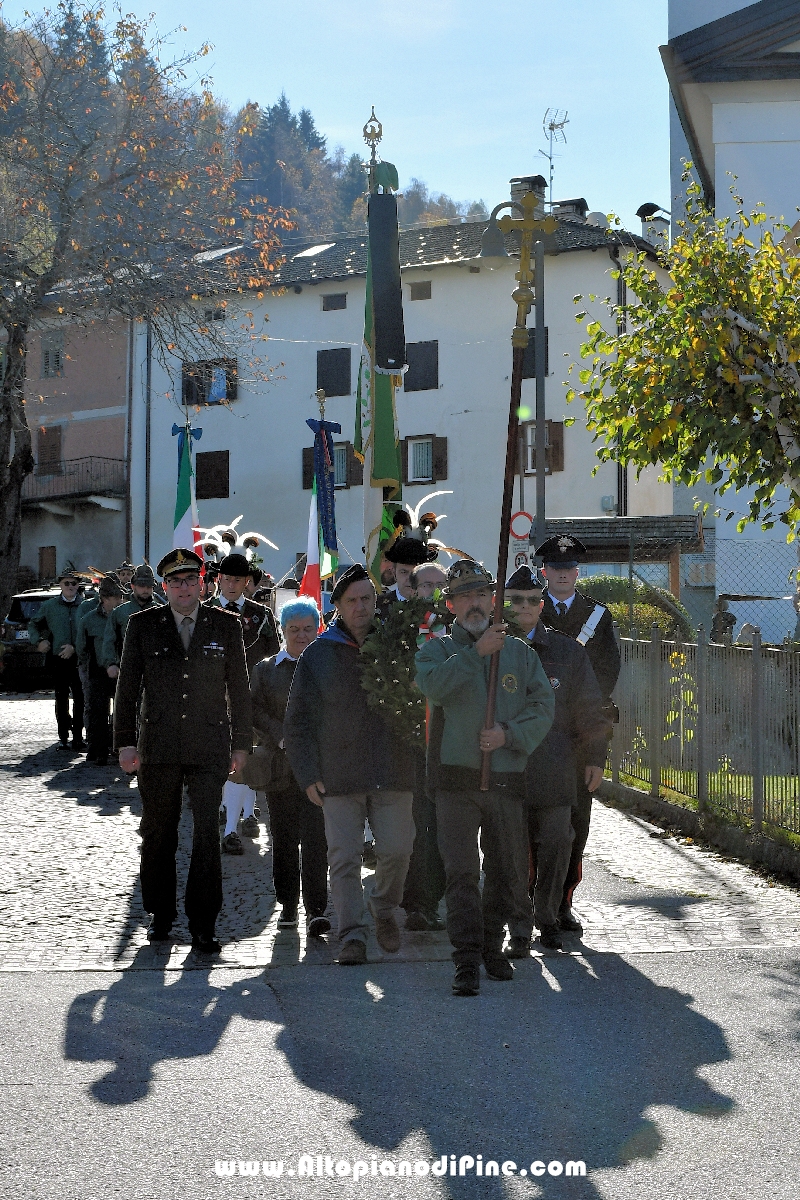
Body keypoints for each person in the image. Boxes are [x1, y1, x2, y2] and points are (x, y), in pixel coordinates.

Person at [415, 559, 555, 997]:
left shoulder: (519, 653)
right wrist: (477, 655)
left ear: (493, 600)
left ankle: (492, 948)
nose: (474, 604)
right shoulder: (437, 649)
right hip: (454, 780)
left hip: (505, 777)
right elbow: (433, 686)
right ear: (451, 604)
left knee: (503, 869)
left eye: (481, 595)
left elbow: (543, 706)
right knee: (460, 872)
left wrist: (508, 734)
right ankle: (465, 960)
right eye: (465, 597)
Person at [113, 548, 252, 953]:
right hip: (159, 745)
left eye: (191, 580)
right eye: (176, 582)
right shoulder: (143, 625)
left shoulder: (225, 626)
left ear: (203, 583)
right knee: (159, 832)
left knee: (207, 834)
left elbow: (239, 690)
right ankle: (159, 915)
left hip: (210, 744)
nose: (184, 588)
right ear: (165, 587)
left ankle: (204, 922)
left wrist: (242, 744)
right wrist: (125, 741)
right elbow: (128, 690)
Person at [284, 564, 415, 965]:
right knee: (343, 856)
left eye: (367, 599)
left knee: (398, 847)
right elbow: (299, 719)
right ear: (337, 606)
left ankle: (382, 904)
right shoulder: (319, 654)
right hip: (338, 775)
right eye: (352, 600)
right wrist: (307, 774)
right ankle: (351, 934)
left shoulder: (397, 643)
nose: (361, 607)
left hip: (393, 770)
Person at [504, 566, 610, 952]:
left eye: (534, 599)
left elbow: (590, 708)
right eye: (517, 600)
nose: (527, 606)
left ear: (542, 603)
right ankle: (518, 925)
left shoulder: (566, 651)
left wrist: (595, 756)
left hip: (555, 765)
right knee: (512, 852)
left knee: (557, 844)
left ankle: (546, 917)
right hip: (507, 768)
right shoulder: (491, 649)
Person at [537, 535, 621, 933]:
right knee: (530, 823)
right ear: (544, 572)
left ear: (577, 573)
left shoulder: (597, 617)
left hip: (577, 738)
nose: (563, 575)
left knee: (575, 824)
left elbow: (605, 681)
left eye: (569, 569)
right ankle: (531, 898)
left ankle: (562, 901)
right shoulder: (528, 607)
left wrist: (595, 751)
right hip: (534, 735)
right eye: (556, 569)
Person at [250, 597, 329, 935]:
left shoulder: (328, 666)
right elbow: (252, 710)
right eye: (294, 629)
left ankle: (316, 909)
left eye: (308, 629)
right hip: (280, 770)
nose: (301, 635)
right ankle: (287, 905)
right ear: (283, 630)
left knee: (317, 840)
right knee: (283, 838)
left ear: (318, 629)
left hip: (318, 769)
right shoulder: (266, 669)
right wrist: (280, 734)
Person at [208, 552, 281, 851]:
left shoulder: (261, 615)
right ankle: (230, 813)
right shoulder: (206, 612)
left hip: (252, 696)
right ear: (218, 580)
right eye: (227, 579)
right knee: (223, 755)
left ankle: (246, 815)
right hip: (214, 697)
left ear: (246, 582)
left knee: (249, 754)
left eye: (238, 580)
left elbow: (275, 656)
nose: (232, 585)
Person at [400, 559, 450, 932]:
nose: (432, 591)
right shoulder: (398, 628)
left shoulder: (459, 631)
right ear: (413, 589)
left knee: (445, 827)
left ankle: (435, 899)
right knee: (416, 825)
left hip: (452, 744)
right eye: (426, 584)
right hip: (411, 744)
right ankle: (415, 900)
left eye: (440, 584)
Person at [29, 565, 86, 750]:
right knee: (61, 698)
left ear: (78, 585)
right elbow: (34, 624)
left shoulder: (86, 606)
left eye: (74, 583)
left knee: (81, 697)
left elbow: (90, 633)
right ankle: (63, 736)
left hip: (80, 659)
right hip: (58, 658)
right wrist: (39, 641)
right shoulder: (50, 606)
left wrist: (75, 648)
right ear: (60, 585)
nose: (70, 586)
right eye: (66, 583)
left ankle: (78, 736)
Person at [76, 576, 124, 765]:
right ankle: (98, 750)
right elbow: (81, 647)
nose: (119, 600)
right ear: (104, 599)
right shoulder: (88, 620)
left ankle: (122, 749)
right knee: (98, 712)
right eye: (115, 597)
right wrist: (87, 669)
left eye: (120, 597)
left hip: (121, 669)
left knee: (122, 712)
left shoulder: (124, 618)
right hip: (97, 671)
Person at [102, 562, 164, 679]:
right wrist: (111, 663)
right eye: (141, 586)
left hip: (156, 671)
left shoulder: (161, 612)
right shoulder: (119, 613)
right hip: (127, 669)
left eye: (149, 586)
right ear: (133, 586)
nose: (145, 590)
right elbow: (109, 641)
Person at [377, 535, 439, 617]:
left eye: (416, 572)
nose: (410, 579)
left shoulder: (438, 607)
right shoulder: (378, 607)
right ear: (394, 573)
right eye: (404, 572)